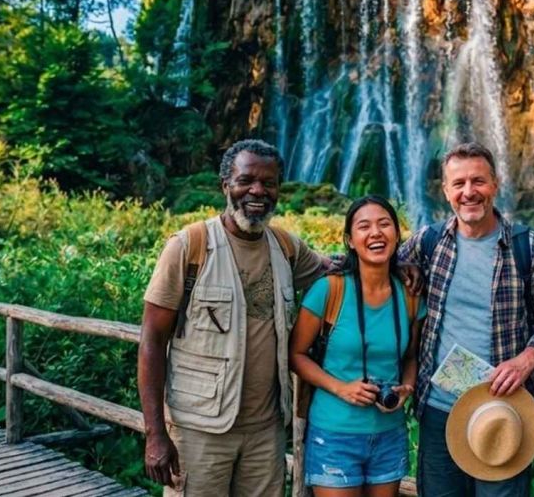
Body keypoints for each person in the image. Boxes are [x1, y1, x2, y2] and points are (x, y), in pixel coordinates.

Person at [137, 140, 419, 497]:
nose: (257, 190)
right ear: (225, 185)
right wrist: (155, 433)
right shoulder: (189, 246)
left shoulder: (286, 247)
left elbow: (343, 266)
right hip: (201, 429)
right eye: (246, 180)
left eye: (268, 183)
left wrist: (399, 265)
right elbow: (151, 340)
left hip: (267, 430)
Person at [397, 142, 534, 496]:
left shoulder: (528, 247)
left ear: (495, 185)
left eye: (478, 181)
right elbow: (373, 263)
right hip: (439, 410)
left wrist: (525, 360)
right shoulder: (428, 242)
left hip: (503, 412)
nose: (469, 192)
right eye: (458, 184)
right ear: (446, 191)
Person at [289, 195, 425, 496]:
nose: (376, 233)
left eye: (384, 224)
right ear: (350, 240)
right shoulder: (330, 290)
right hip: (334, 434)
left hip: (389, 434)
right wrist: (341, 388)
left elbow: (411, 357)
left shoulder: (410, 295)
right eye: (364, 227)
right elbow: (295, 355)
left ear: (396, 234)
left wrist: (407, 387)